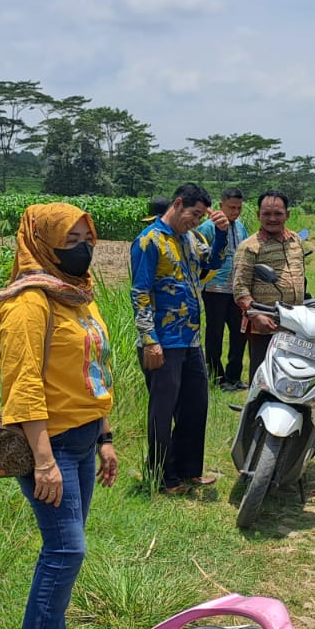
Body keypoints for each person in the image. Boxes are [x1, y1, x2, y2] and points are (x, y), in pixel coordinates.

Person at [0, 203, 118, 629]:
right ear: (43, 241)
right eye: (71, 239)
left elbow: (97, 370)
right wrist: (44, 461)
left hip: (85, 438)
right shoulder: (28, 304)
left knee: (66, 552)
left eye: (87, 236)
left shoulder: (78, 295)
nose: (83, 248)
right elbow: (21, 388)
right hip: (52, 445)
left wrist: (106, 437)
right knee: (65, 551)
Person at [131, 184, 230, 494]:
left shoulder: (192, 238)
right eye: (194, 214)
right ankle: (162, 476)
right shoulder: (149, 241)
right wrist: (150, 340)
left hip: (190, 340)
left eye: (201, 216)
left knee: (196, 405)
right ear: (177, 203)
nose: (196, 221)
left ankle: (189, 470)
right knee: (162, 411)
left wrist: (222, 233)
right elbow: (140, 293)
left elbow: (212, 264)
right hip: (163, 342)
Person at [232, 190, 306, 381]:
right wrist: (256, 314)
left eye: (278, 214)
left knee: (291, 377)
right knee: (263, 377)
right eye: (266, 214)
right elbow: (240, 288)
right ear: (258, 215)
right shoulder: (250, 247)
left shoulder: (295, 240)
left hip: (295, 323)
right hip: (263, 326)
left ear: (287, 215)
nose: (272, 218)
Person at [200, 187, 248, 390]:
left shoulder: (240, 227)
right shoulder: (208, 228)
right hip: (214, 289)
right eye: (231, 207)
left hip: (236, 289)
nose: (235, 212)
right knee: (215, 334)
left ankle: (234, 376)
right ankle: (216, 377)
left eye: (238, 208)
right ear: (221, 206)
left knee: (239, 334)